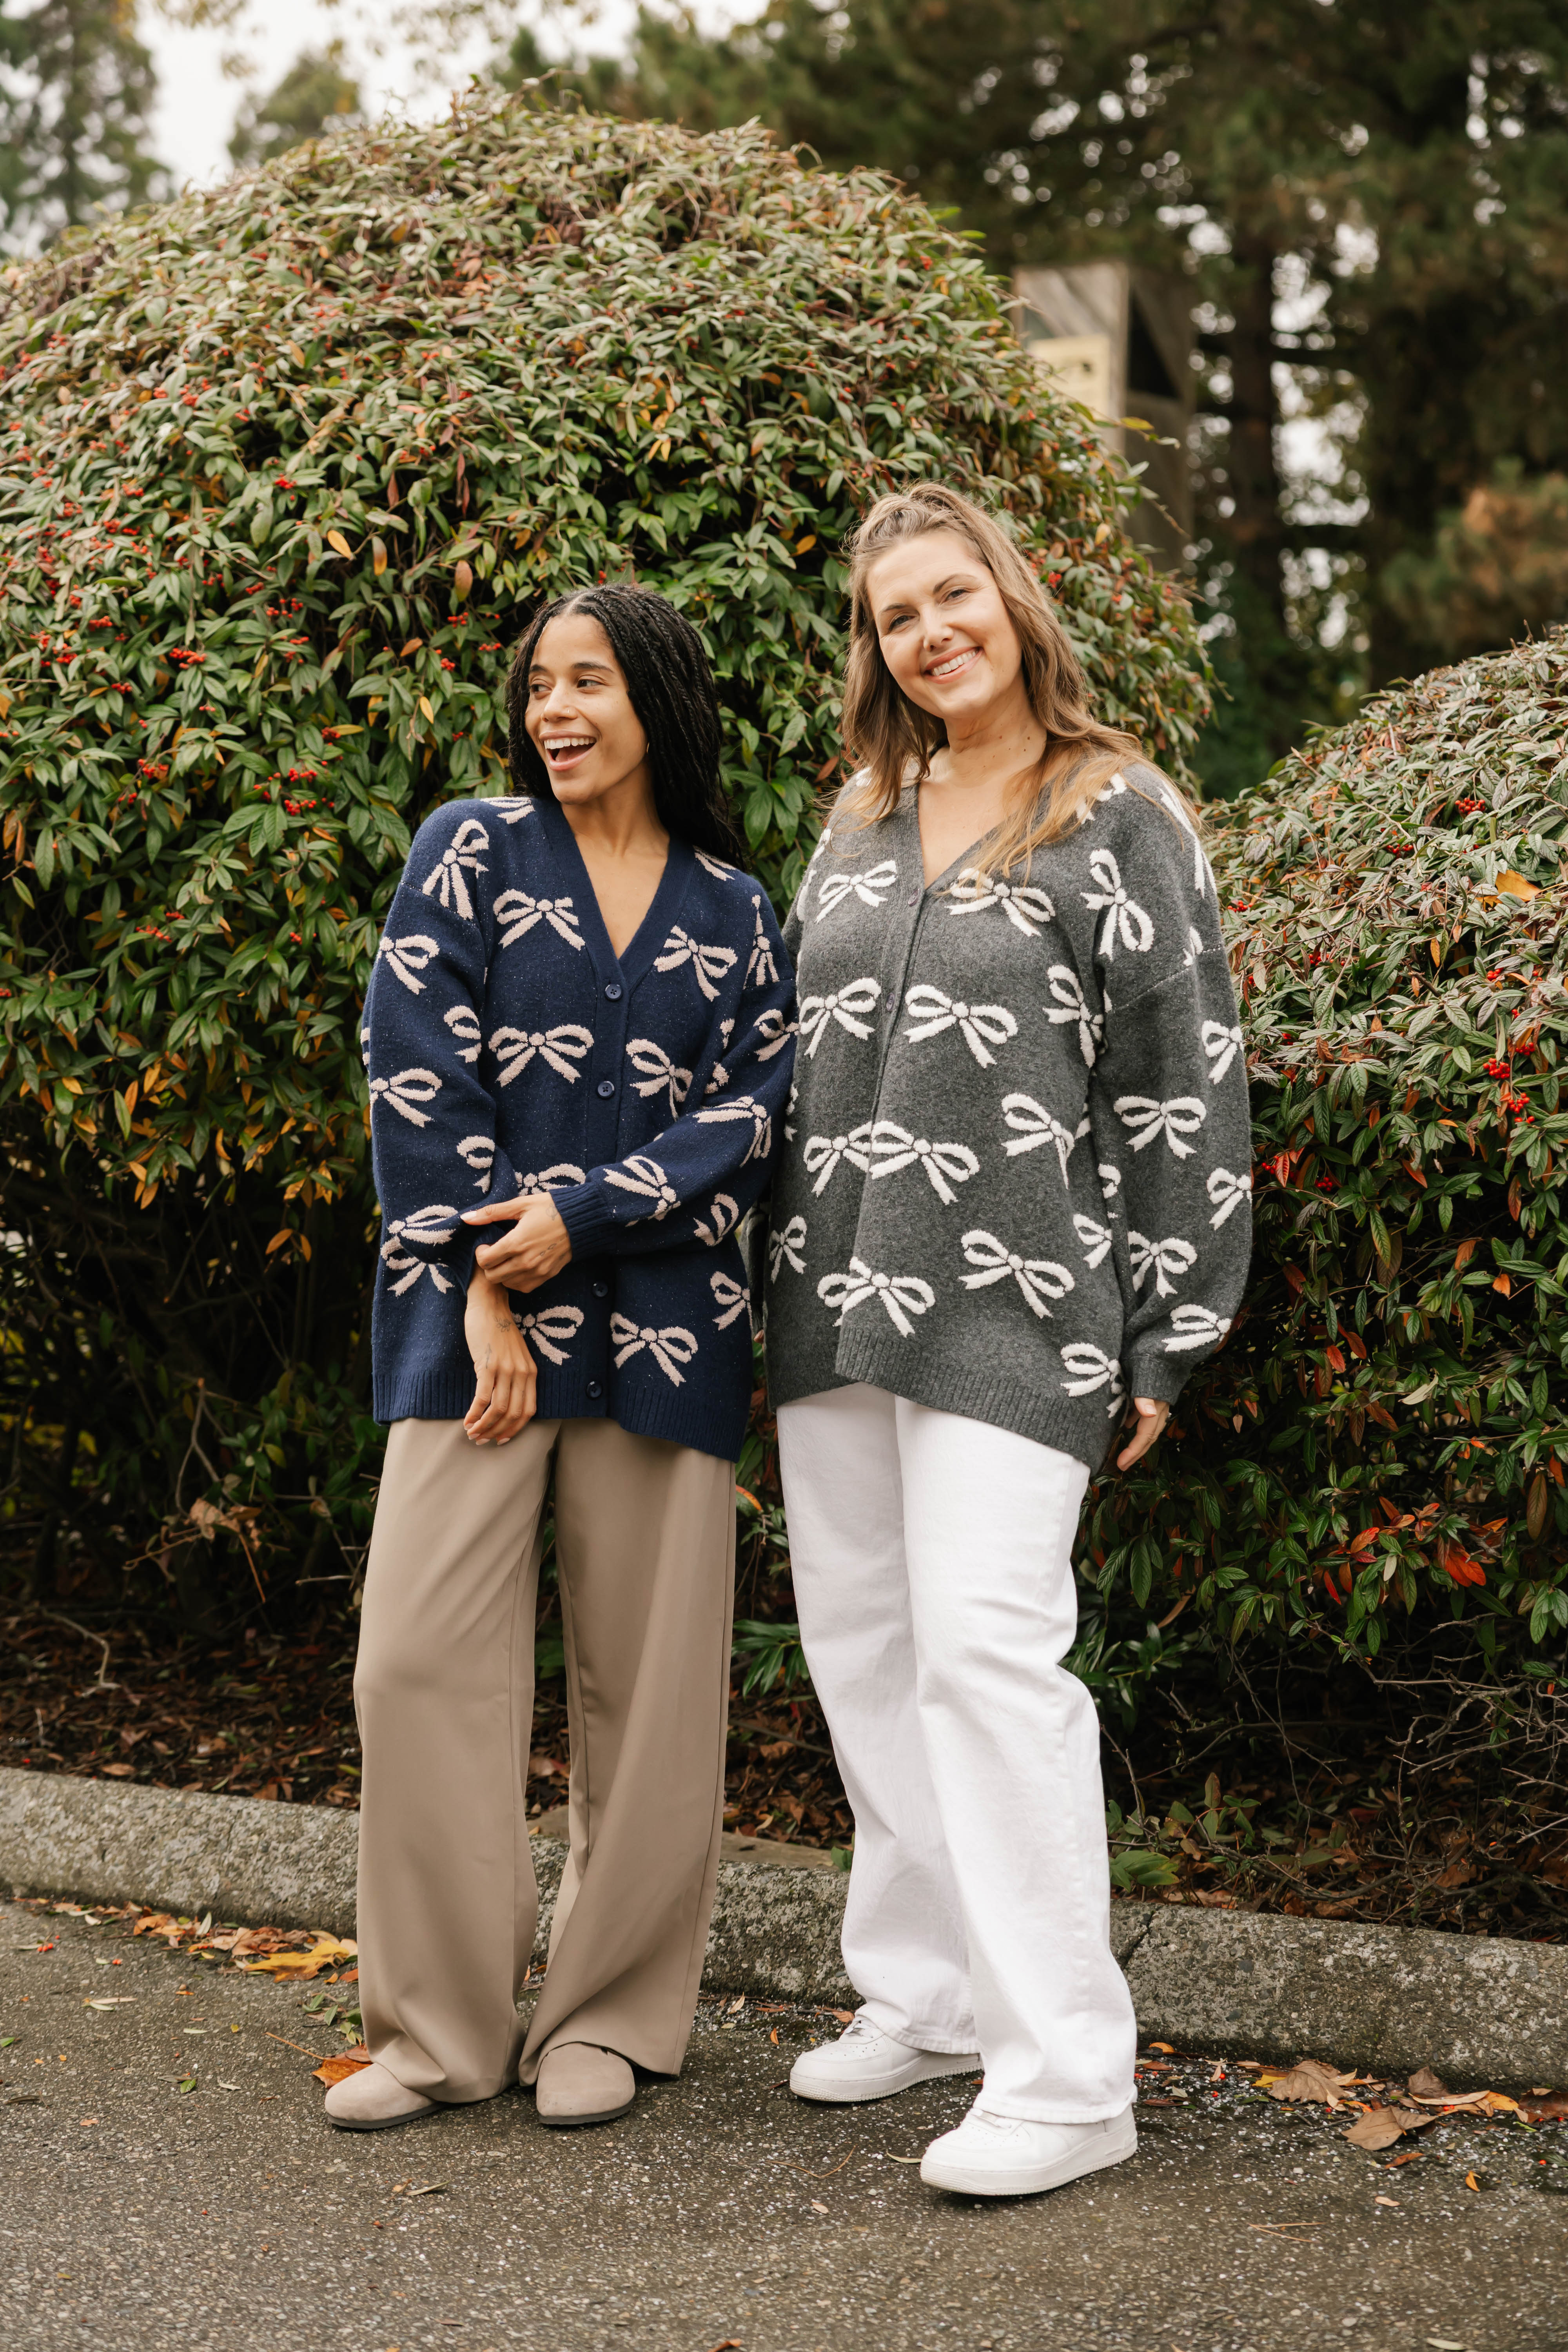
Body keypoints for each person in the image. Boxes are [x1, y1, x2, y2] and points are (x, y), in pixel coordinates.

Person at [764, 484, 1252, 2198]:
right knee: (868, 1649)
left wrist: (1168, 1330)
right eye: (897, 615)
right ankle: (933, 1994)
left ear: (1012, 603)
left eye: (951, 596)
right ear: (878, 649)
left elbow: (1185, 1082)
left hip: (1018, 1300)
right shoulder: (863, 804)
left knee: (986, 1655)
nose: (929, 632)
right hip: (829, 1292)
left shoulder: (1115, 812)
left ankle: (1067, 2073)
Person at [328, 583, 795, 2133]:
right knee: (414, 1663)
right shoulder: (470, 849)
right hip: (471, 1335)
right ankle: (438, 2031)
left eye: (589, 681)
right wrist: (484, 1282)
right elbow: (414, 1068)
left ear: (656, 698)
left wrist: (577, 1220)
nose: (557, 712)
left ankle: (605, 2017)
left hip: (670, 1334)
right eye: (538, 686)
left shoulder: (735, 907)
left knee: (652, 1693)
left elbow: (749, 1119)